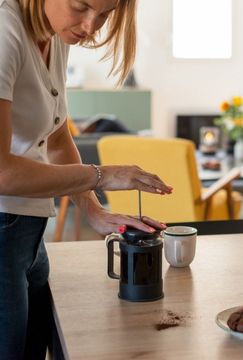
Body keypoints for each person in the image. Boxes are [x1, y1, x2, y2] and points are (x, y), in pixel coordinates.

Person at [0, 0, 172, 358]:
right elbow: (2, 172)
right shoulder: (6, 31)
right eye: (81, 6)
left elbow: (59, 137)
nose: (91, 26)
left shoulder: (56, 35)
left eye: (105, 14)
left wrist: (92, 209)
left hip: (28, 235)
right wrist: (101, 175)